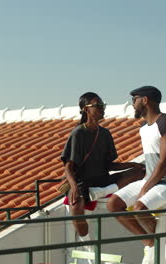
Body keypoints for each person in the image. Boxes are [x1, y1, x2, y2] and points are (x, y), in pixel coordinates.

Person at [106, 86, 166, 264]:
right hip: (151, 180)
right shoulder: (144, 128)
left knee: (139, 208)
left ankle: (155, 240)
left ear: (145, 100)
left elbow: (165, 162)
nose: (132, 104)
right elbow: (152, 161)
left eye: (134, 100)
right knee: (113, 204)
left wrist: (145, 188)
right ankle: (150, 242)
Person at [61, 92, 145, 238]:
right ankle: (87, 241)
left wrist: (133, 165)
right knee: (77, 213)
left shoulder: (105, 133)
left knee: (140, 172)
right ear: (86, 109)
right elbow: (68, 166)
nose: (102, 108)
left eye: (102, 105)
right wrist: (74, 187)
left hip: (103, 180)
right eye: (97, 105)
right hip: (82, 183)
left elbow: (109, 166)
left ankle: (101, 192)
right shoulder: (78, 133)